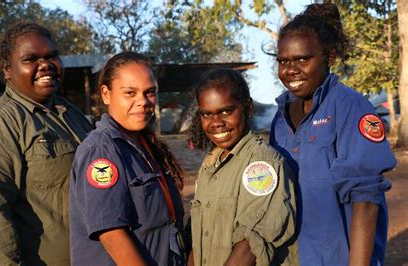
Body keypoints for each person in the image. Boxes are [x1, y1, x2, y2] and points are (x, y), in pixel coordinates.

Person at [270, 3, 396, 265]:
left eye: (303, 59)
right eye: (284, 61)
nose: (291, 70)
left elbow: (365, 197)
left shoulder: (351, 107)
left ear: (329, 58)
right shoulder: (279, 118)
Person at [0, 21, 93, 265]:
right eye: (31, 59)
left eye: (52, 56)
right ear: (7, 70)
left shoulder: (70, 113)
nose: (45, 66)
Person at [69, 51, 186, 266]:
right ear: (106, 94)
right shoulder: (102, 150)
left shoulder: (143, 145)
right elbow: (112, 235)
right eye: (130, 93)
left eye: (149, 92)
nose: (142, 101)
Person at [188, 68, 298, 266]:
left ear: (247, 107)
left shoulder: (262, 165)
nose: (216, 123)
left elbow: (249, 247)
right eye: (207, 114)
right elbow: (199, 241)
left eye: (226, 111)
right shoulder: (210, 164)